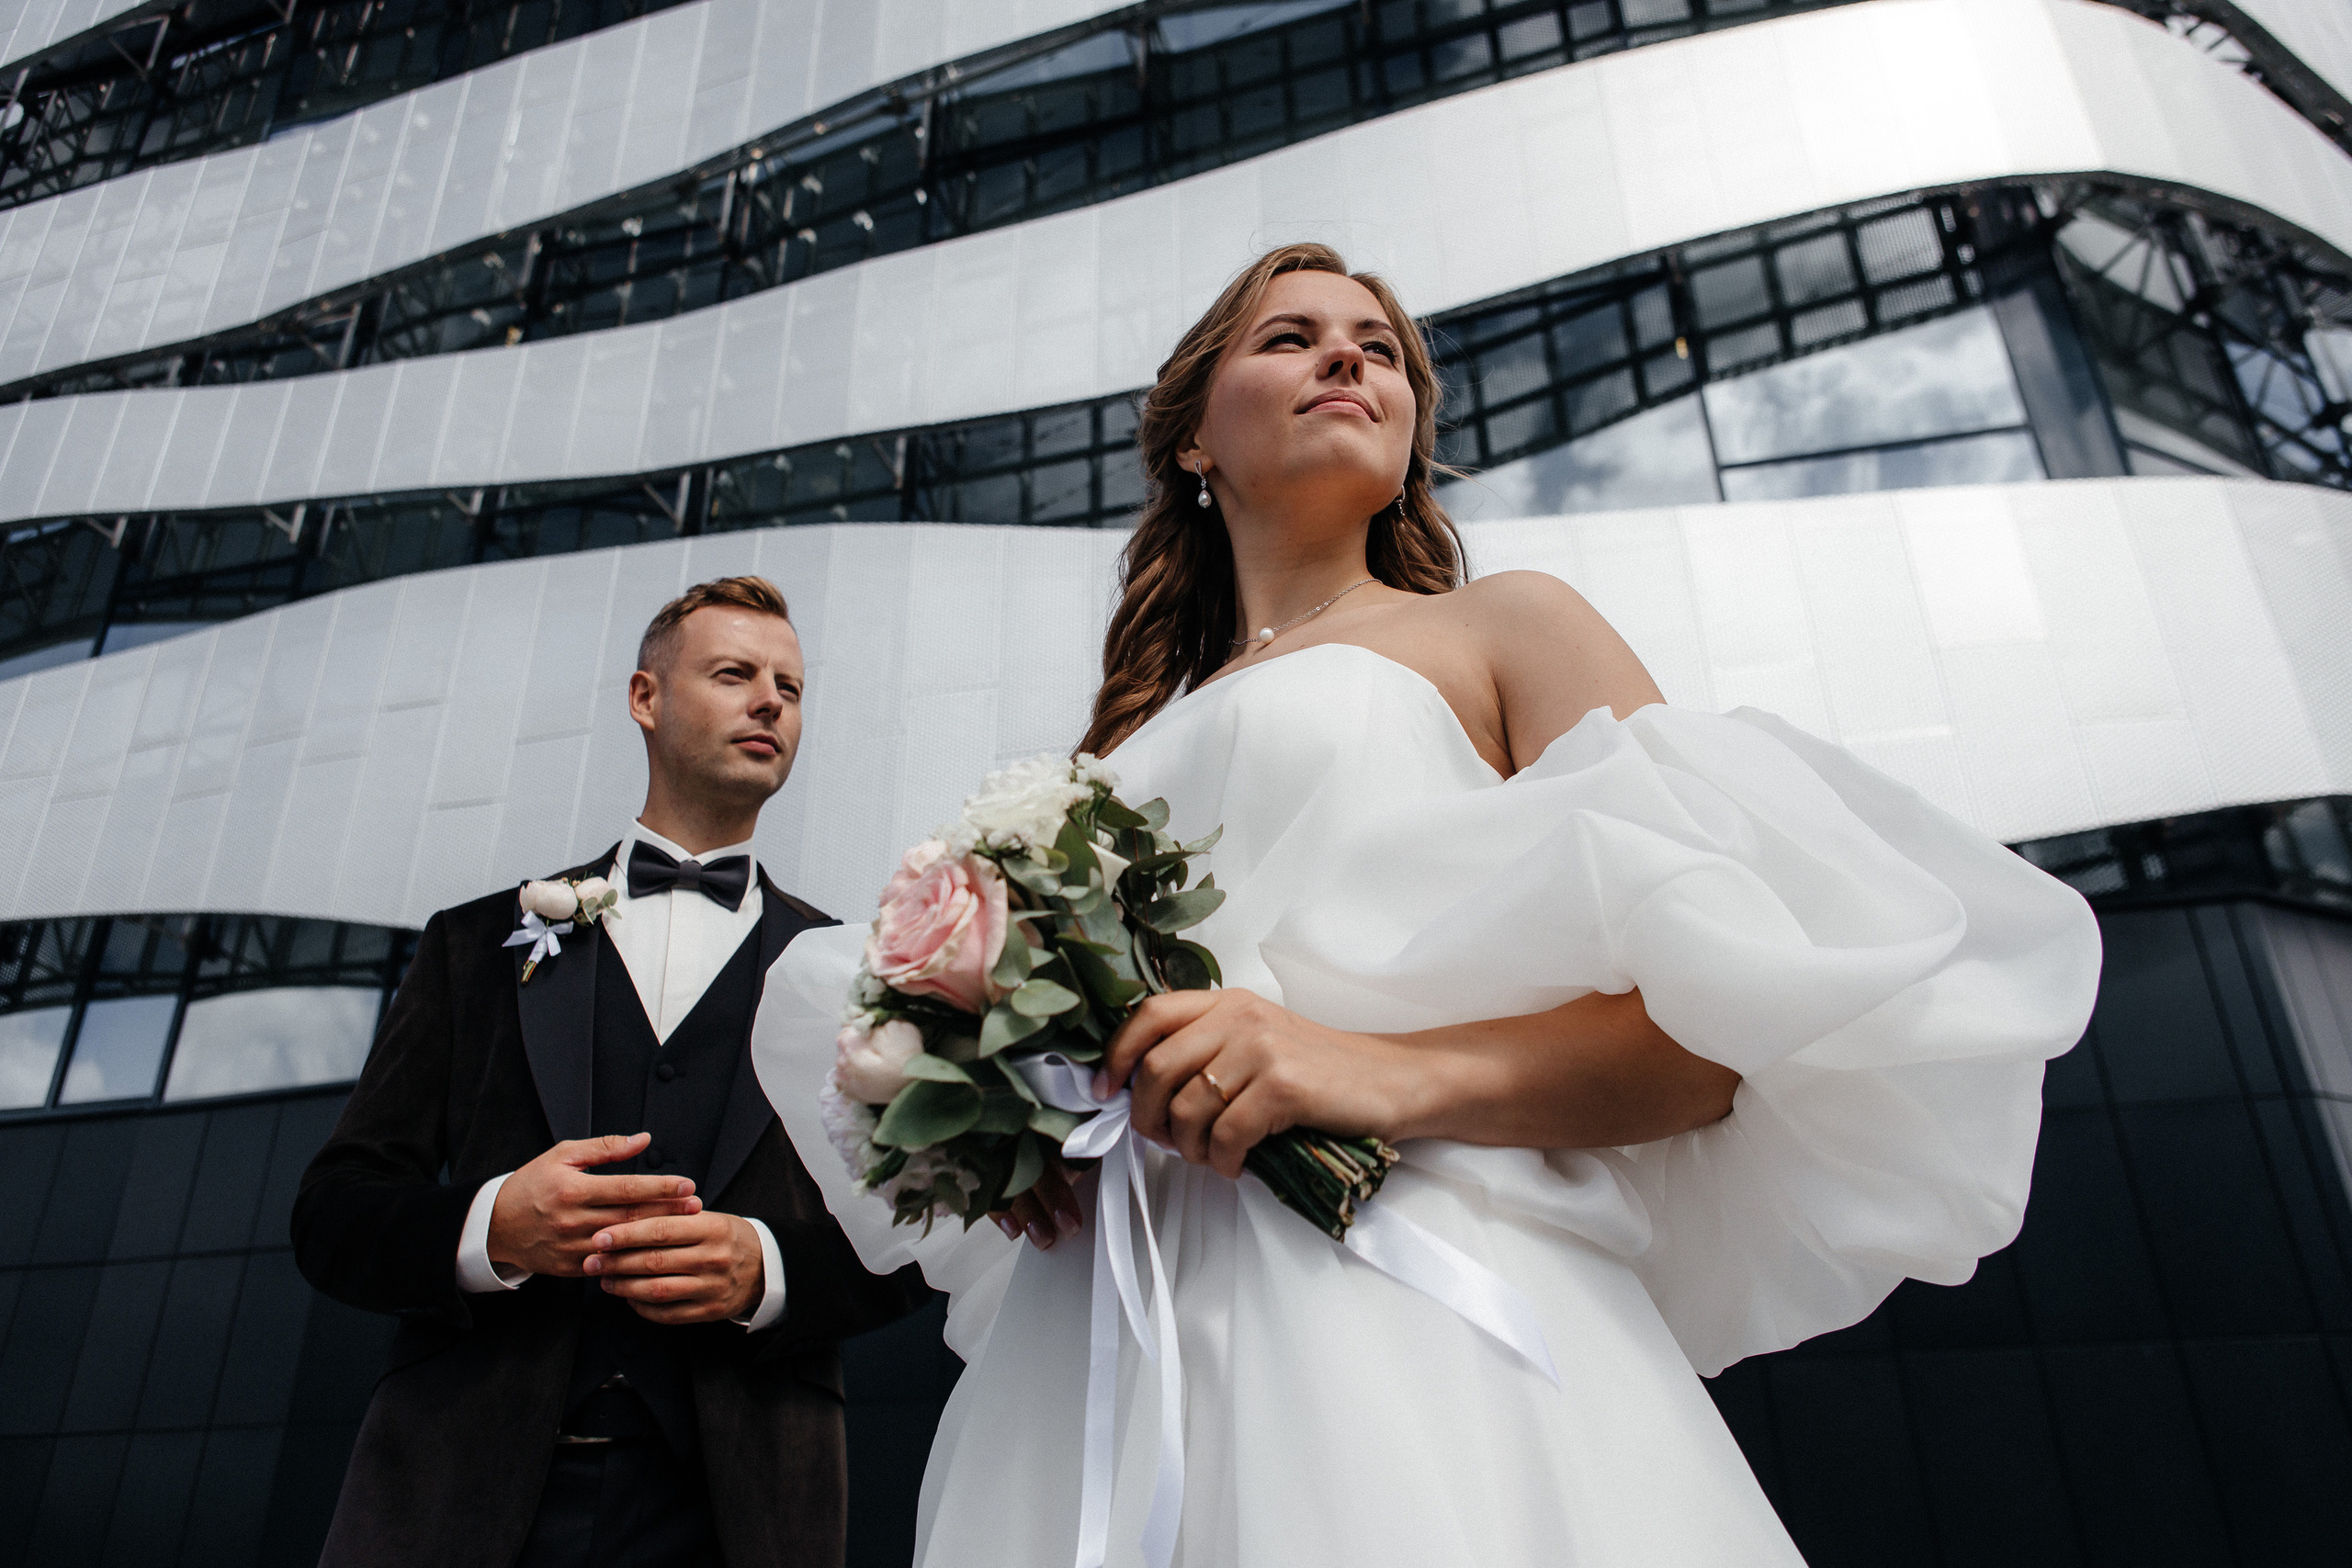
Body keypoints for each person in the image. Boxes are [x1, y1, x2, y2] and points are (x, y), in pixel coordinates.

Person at [753, 245, 2102, 1564]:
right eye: (1290, 337)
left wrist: (1368, 1070)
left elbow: (1710, 1047)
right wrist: (1019, 1119)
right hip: (1105, 1331)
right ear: (1194, 439)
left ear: (1408, 436)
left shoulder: (1504, 627)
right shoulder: (1105, 757)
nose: (1347, 357)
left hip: (1405, 1286)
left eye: (1381, 350)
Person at [294, 575, 930, 1568]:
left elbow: (924, 1233)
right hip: (460, 1500)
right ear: (645, 697)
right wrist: (492, 1225)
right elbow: (333, 1213)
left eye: (791, 688)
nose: (770, 702)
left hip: (742, 1513)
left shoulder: (858, 976)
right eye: (735, 674)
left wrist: (767, 1270)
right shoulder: (473, 944)